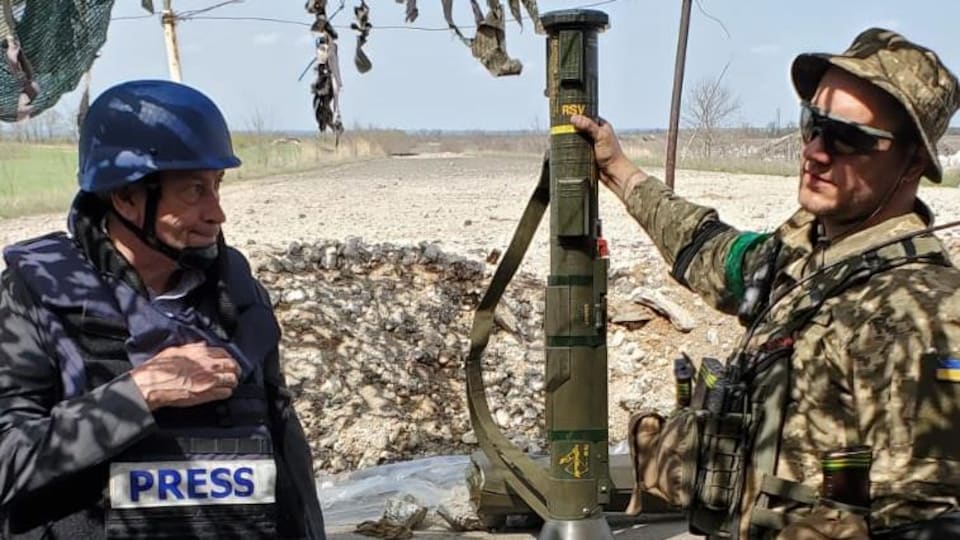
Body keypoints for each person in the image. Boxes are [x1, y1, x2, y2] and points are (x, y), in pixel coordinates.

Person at [571, 28, 960, 539]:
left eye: (848, 137)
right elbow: (712, 251)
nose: (815, 152)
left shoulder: (923, 315)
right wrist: (621, 172)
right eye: (812, 124)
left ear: (913, 162)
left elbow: (926, 523)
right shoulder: (805, 252)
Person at [0, 80, 326, 539]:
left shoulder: (238, 293)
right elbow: (7, 459)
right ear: (125, 196)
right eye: (194, 191)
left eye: (217, 186)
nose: (217, 213)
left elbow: (286, 459)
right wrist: (137, 395)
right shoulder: (34, 296)